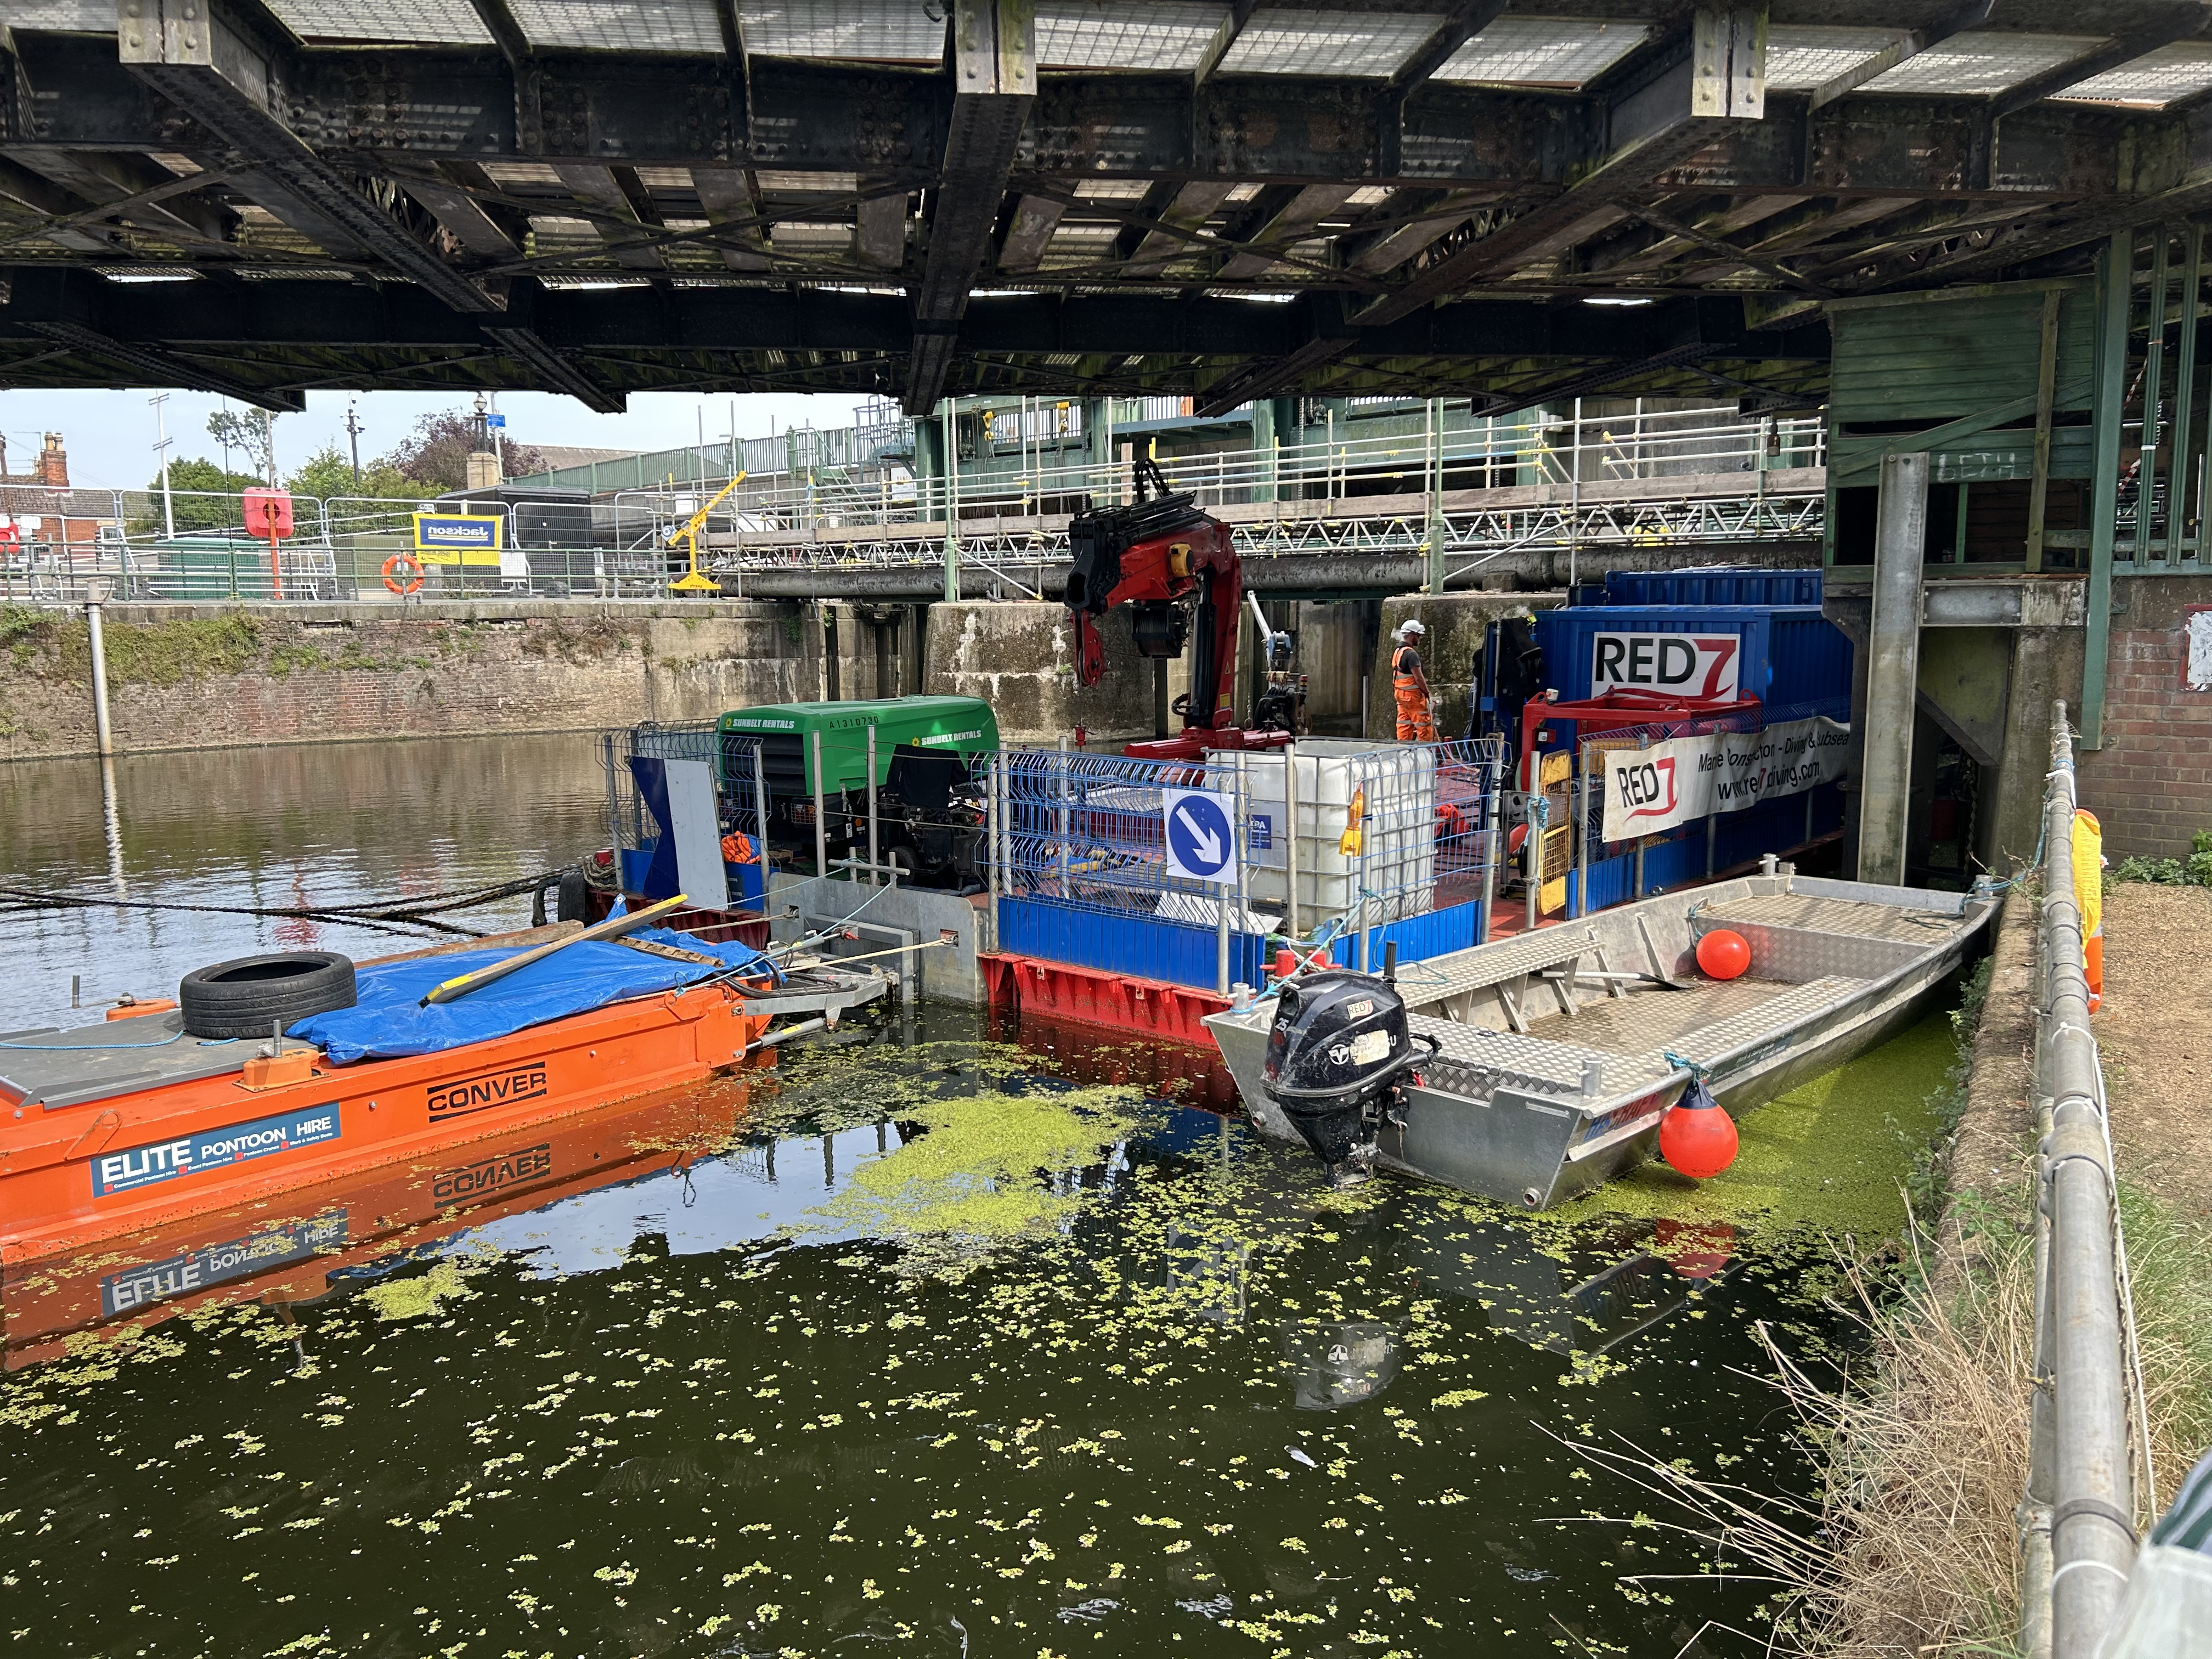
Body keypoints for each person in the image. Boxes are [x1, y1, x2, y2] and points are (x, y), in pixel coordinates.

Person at [1391, 618, 1437, 742]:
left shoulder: (1398, 651)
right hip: (1413, 697)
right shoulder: (1411, 654)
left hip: (1400, 695)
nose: (1419, 639)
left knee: (1404, 724)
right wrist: (1426, 693)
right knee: (1424, 725)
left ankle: (1402, 752)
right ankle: (1425, 755)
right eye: (1418, 636)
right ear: (1411, 636)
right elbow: (1419, 678)